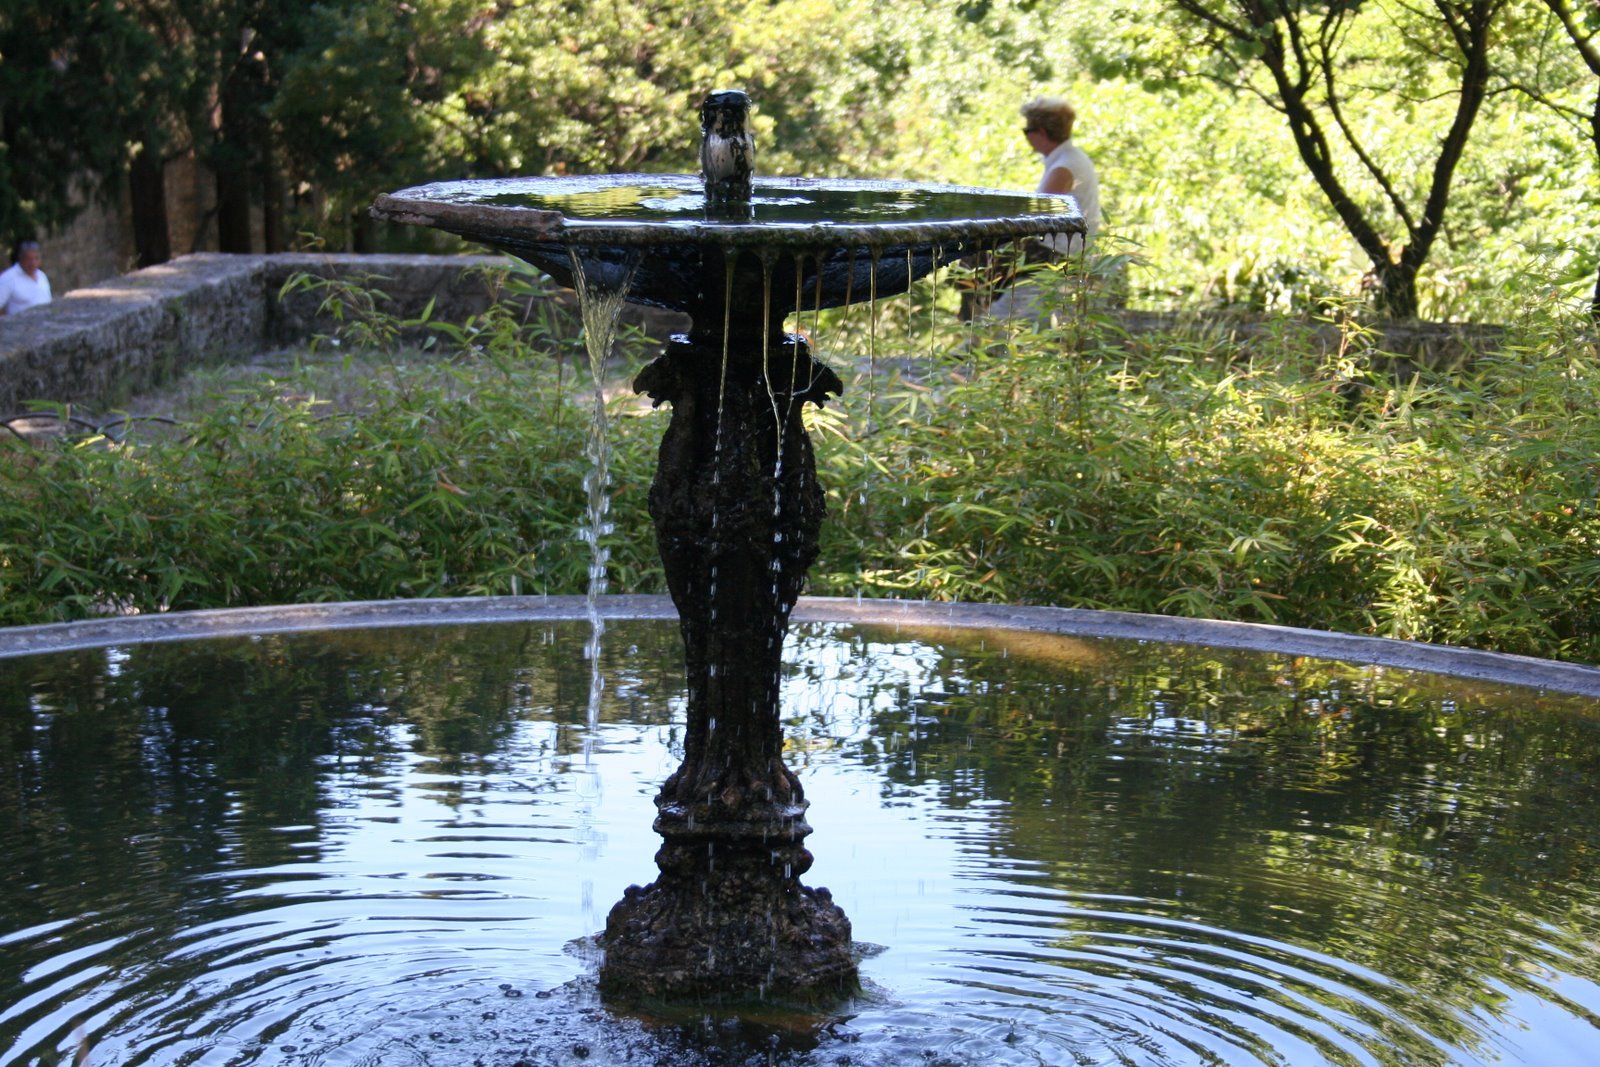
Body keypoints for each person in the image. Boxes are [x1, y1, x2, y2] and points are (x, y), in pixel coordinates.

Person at [983, 96, 1102, 321]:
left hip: (1056, 257)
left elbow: (1035, 218)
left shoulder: (1063, 168)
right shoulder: (1071, 159)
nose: (1026, 136)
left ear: (1041, 132)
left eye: (1027, 130)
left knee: (1004, 318)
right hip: (1065, 254)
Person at [0, 240, 52, 316]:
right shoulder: (8, 278)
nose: (33, 263)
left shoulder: (42, 275)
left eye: (36, 258)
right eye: (28, 259)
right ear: (21, 259)